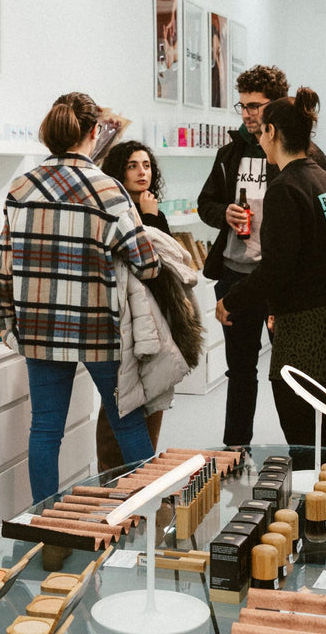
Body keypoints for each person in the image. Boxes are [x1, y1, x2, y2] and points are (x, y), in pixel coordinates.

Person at [0, 94, 160, 503]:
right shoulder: (106, 189)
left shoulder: (21, 187)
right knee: (129, 425)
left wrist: (12, 328)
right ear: (95, 132)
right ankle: (148, 519)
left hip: (40, 328)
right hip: (99, 328)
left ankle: (46, 528)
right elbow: (147, 263)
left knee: (45, 430)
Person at [197, 65, 326, 449]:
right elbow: (206, 202)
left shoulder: (305, 156)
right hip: (236, 274)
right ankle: (235, 450)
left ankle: (306, 458)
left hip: (281, 282)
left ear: (278, 107)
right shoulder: (229, 153)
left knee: (290, 376)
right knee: (239, 371)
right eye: (242, 106)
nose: (247, 115)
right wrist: (224, 212)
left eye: (255, 106)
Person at [215, 89, 326, 467]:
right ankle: (324, 504)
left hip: (307, 330)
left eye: (261, 132)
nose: (258, 139)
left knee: (304, 439)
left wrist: (230, 300)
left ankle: (313, 514)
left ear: (271, 131)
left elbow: (275, 268)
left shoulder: (285, 188)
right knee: (317, 428)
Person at [96, 141, 203, 471]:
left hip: (159, 317)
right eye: (132, 165)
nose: (142, 171)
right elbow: (148, 263)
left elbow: (166, 269)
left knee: (151, 395)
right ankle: (118, 481)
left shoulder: (152, 210)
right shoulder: (120, 211)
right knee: (122, 401)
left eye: (146, 165)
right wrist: (151, 218)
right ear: (118, 171)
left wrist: (154, 217)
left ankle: (140, 479)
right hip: (128, 320)